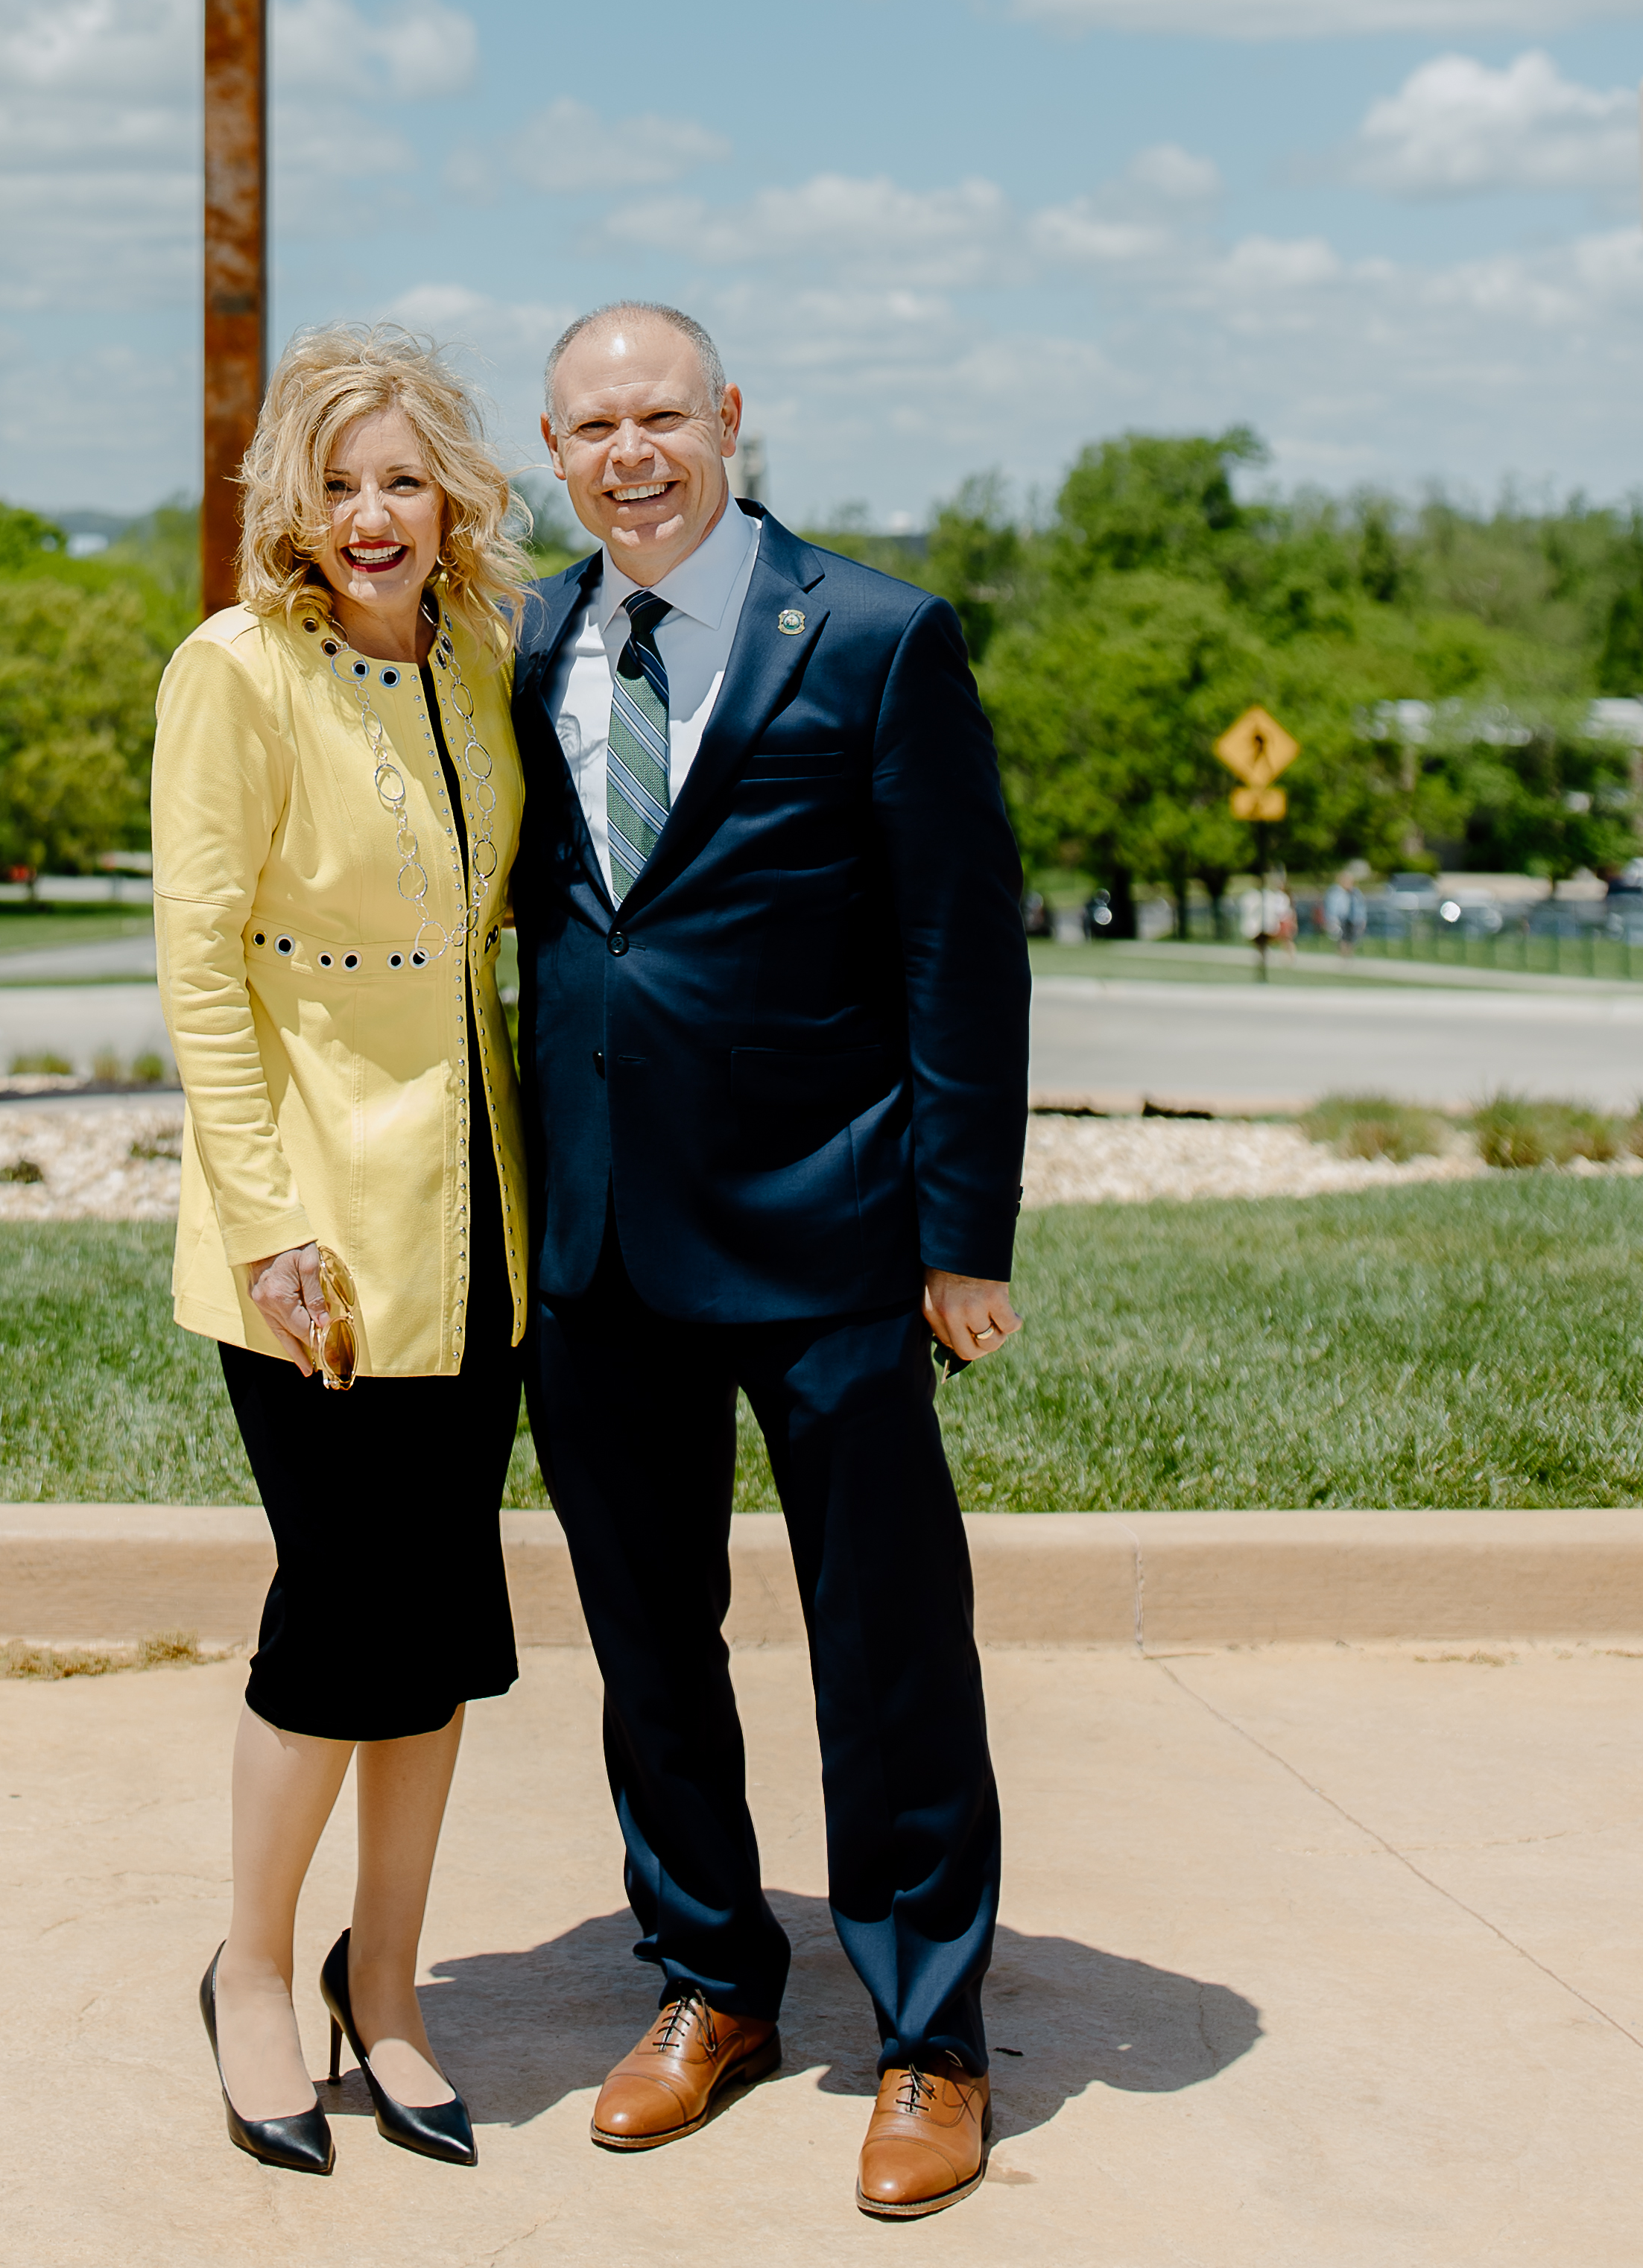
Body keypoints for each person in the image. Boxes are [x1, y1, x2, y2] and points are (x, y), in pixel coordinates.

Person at [511, 302, 1029, 2223]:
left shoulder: (877, 638)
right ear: (548, 452)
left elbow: (958, 957)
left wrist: (958, 1236)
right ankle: (708, 1983)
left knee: (885, 1652)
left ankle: (928, 2033)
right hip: (595, 1250)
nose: (628, 451)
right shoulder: (523, 644)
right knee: (650, 1652)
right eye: (590, 425)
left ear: (727, 419)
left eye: (659, 414)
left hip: (830, 1234)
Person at [153, 324, 532, 2180]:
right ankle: (245, 1973)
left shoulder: (478, 657)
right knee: (338, 1614)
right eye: (337, 482)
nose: (371, 516)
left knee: (439, 1626)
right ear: (286, 501)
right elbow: (200, 975)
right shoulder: (229, 674)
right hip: (309, 1229)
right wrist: (270, 1222)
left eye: (403, 479)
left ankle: (385, 1986)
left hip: (480, 1222)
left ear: (449, 490)